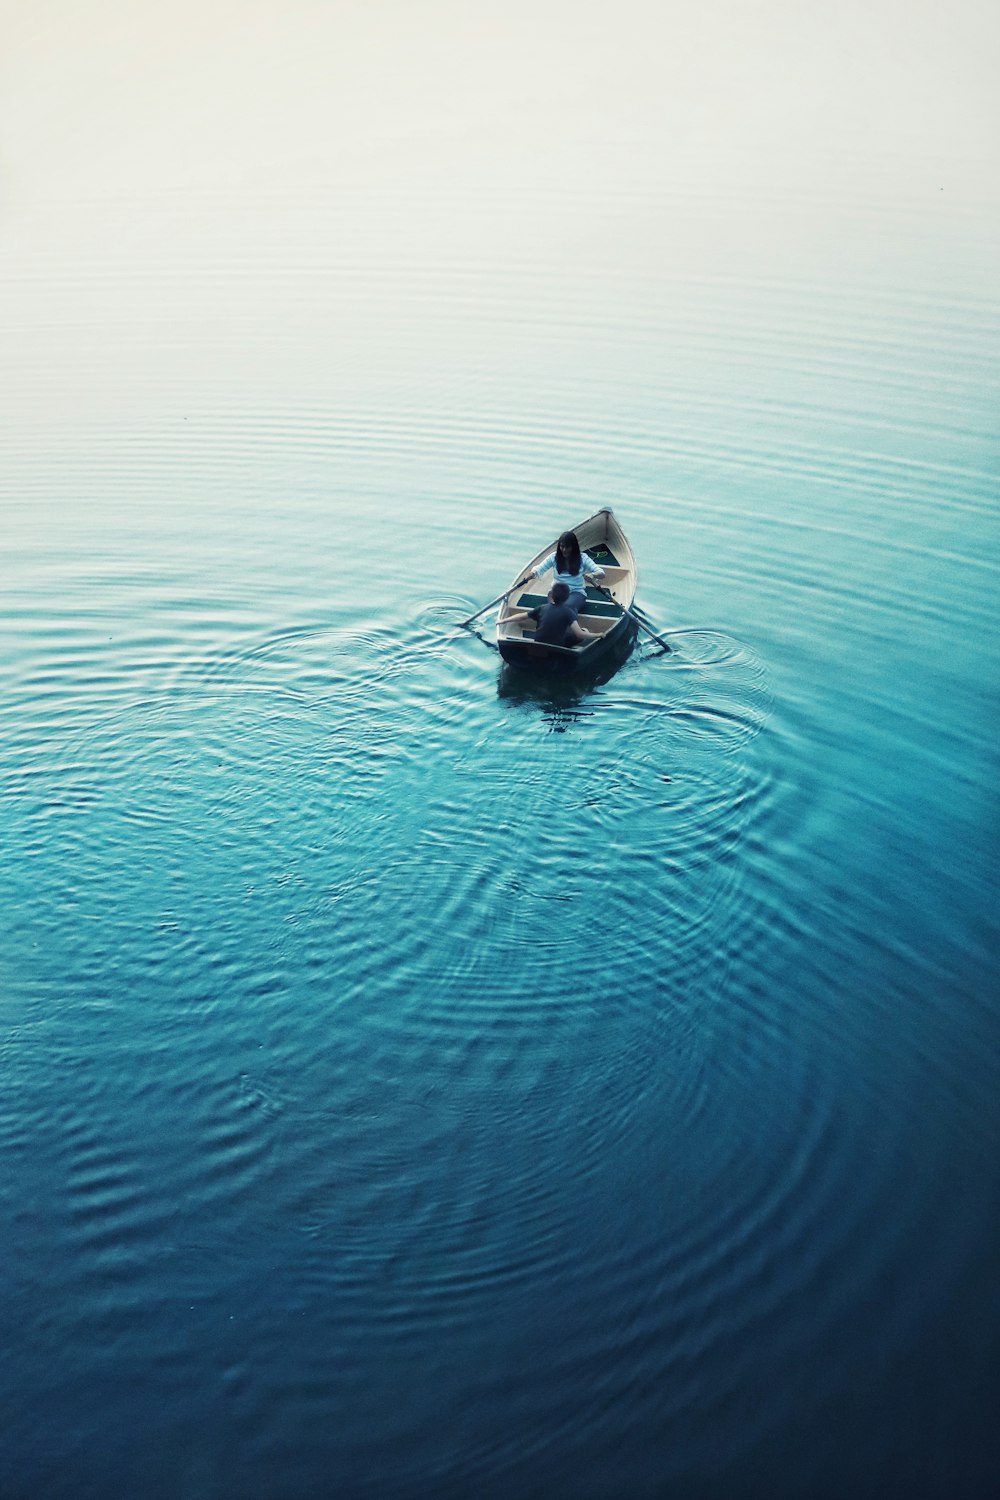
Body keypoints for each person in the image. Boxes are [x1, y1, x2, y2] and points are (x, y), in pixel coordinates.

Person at [525, 530, 605, 615]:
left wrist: (592, 575)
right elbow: (539, 569)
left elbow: (601, 573)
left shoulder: (583, 558)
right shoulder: (554, 557)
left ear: (573, 547)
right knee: (553, 607)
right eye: (562, 546)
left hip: (576, 592)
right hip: (556, 591)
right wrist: (532, 574)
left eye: (568, 547)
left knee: (566, 609)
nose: (564, 550)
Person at [506, 580, 597, 647]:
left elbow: (521, 616)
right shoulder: (569, 612)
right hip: (557, 646)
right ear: (567, 598)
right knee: (583, 632)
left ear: (551, 596)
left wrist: (503, 620)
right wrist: (597, 635)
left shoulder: (541, 608)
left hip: (538, 642)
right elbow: (579, 634)